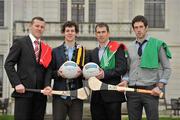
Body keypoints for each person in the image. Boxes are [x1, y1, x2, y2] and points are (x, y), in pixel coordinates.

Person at [121, 15, 172, 120]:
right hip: (132, 91)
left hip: (151, 90)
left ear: (146, 28)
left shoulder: (157, 45)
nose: (138, 30)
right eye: (136, 27)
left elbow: (167, 68)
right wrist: (125, 80)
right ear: (133, 29)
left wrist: (160, 86)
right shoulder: (129, 47)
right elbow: (127, 69)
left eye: (141, 27)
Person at [4, 17, 52, 120]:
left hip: (40, 95)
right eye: (37, 26)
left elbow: (48, 69)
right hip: (23, 93)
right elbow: (8, 64)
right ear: (30, 26)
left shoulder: (46, 47)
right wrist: (16, 83)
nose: (39, 29)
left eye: (42, 27)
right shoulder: (20, 43)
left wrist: (47, 85)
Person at [45, 21, 87, 120]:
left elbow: (87, 73)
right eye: (67, 30)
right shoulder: (55, 51)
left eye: (72, 30)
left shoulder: (83, 51)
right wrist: (58, 74)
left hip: (77, 95)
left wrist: (81, 73)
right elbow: (50, 72)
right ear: (63, 32)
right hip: (60, 96)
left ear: (76, 33)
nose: (70, 33)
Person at [88, 22, 128, 120]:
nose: (101, 34)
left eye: (103, 32)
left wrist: (104, 74)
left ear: (108, 33)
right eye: (98, 32)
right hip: (97, 97)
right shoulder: (93, 52)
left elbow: (122, 68)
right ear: (95, 34)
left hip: (113, 95)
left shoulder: (117, 48)